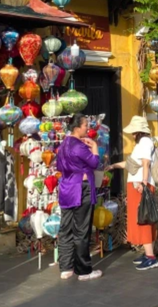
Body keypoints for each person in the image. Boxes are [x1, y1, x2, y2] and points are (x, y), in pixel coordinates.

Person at [108, 116, 158, 270]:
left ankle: (150, 256)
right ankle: (148, 253)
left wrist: (143, 183)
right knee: (142, 217)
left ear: (138, 132)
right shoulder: (142, 144)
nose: (131, 135)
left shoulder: (145, 142)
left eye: (133, 132)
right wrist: (113, 166)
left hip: (140, 185)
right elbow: (132, 164)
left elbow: (145, 163)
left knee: (143, 218)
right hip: (137, 184)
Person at [55, 114, 102, 281]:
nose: (87, 128)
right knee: (82, 230)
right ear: (77, 128)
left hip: (66, 187)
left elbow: (59, 166)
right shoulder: (78, 146)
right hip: (80, 189)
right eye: (85, 126)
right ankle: (84, 270)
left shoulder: (63, 145)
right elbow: (95, 163)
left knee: (65, 228)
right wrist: (94, 146)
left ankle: (66, 267)